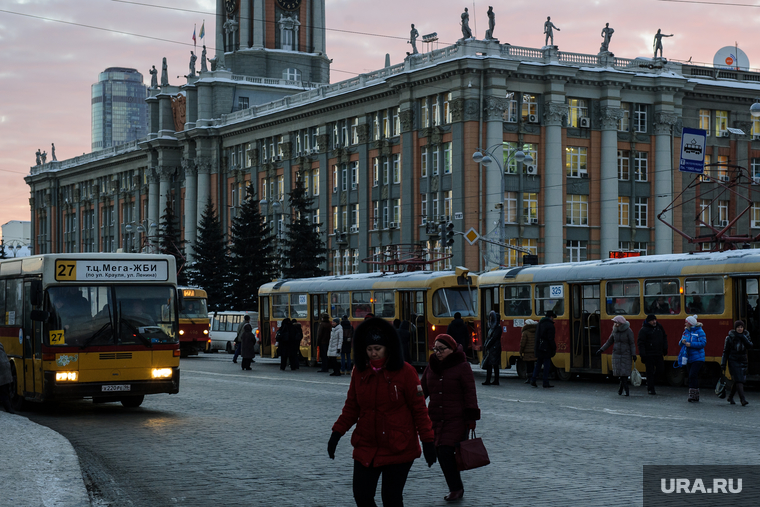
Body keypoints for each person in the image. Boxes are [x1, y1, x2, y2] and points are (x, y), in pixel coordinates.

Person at [328, 317, 436, 507]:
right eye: (369, 349)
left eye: (377, 349)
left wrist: (428, 442)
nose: (373, 353)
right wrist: (337, 433)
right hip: (367, 445)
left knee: (391, 499)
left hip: (399, 446)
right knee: (362, 496)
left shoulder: (406, 372)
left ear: (388, 348)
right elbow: (352, 407)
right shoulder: (359, 372)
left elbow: (420, 410)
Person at [421, 334, 480, 502]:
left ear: (451, 349)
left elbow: (470, 393)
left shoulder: (462, 366)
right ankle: (455, 486)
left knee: (446, 451)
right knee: (440, 452)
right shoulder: (431, 366)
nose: (438, 353)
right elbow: (422, 389)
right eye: (435, 349)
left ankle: (456, 488)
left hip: (457, 419)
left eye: (442, 349)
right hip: (436, 418)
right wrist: (413, 404)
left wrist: (471, 418)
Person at [596, 316, 636, 396]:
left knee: (623, 374)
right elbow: (609, 342)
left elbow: (632, 344)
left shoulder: (628, 331)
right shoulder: (614, 331)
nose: (614, 324)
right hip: (616, 354)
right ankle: (621, 390)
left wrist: (633, 354)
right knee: (621, 374)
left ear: (621, 323)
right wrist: (601, 350)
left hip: (626, 354)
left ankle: (626, 391)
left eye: (616, 322)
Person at [721, 320, 752, 406]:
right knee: (739, 380)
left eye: (741, 327)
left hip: (743, 360)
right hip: (733, 360)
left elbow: (749, 346)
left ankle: (730, 397)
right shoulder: (730, 337)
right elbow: (725, 351)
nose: (740, 329)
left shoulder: (746, 336)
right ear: (735, 328)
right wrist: (723, 363)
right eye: (738, 327)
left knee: (739, 380)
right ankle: (743, 399)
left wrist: (743, 337)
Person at [637, 314, 668, 395]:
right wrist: (642, 354)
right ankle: (651, 388)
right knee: (649, 371)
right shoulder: (643, 330)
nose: (654, 321)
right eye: (652, 320)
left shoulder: (659, 327)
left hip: (658, 353)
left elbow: (664, 337)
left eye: (655, 320)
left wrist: (665, 348)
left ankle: (651, 382)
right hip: (648, 354)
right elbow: (641, 343)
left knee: (661, 369)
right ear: (648, 321)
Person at [681, 314, 706, 402]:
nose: (685, 324)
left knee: (692, 375)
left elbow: (703, 343)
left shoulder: (700, 331)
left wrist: (691, 344)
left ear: (690, 323)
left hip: (698, 357)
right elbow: (680, 343)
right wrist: (682, 342)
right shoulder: (686, 332)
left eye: (686, 323)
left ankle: (693, 395)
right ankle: (694, 395)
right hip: (689, 357)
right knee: (691, 376)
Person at [530, 310, 557, 388]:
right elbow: (550, 339)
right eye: (553, 317)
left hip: (539, 347)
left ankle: (533, 379)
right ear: (551, 317)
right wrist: (554, 348)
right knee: (547, 365)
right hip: (546, 348)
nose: (553, 319)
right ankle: (545, 382)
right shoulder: (550, 326)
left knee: (538, 363)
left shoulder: (539, 324)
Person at [481, 310, 501, 386]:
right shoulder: (493, 327)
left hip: (495, 348)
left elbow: (493, 338)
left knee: (494, 364)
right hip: (492, 348)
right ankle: (489, 380)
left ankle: (495, 380)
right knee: (490, 364)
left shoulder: (497, 327)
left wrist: (487, 345)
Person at [519, 319, 538, 384]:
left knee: (528, 366)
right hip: (534, 351)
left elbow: (523, 343)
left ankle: (529, 378)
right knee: (533, 365)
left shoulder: (525, 332)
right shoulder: (536, 331)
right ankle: (533, 377)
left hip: (527, 352)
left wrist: (521, 351)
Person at [0, 342, 14, 414]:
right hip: (6, 371)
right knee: (6, 391)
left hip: (2, 373)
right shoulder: (1, 346)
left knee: (3, 392)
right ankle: (10, 408)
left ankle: (9, 409)